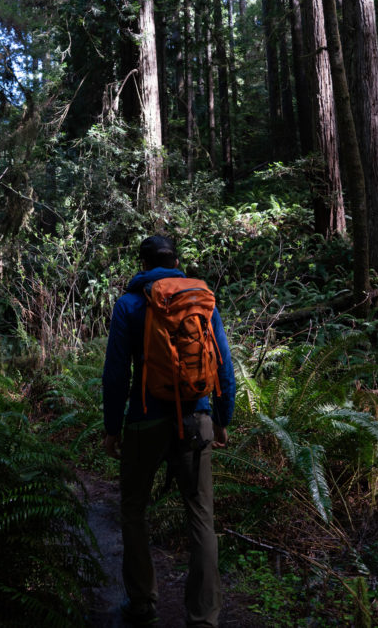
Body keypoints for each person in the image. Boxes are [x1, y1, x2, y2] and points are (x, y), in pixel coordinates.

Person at [102, 235, 236, 627]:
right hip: (197, 420)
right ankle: (204, 616)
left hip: (145, 421)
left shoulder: (129, 304)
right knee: (201, 517)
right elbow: (224, 365)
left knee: (133, 510)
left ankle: (143, 602)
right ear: (176, 261)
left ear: (143, 264)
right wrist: (222, 419)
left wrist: (112, 428)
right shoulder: (201, 300)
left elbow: (115, 374)